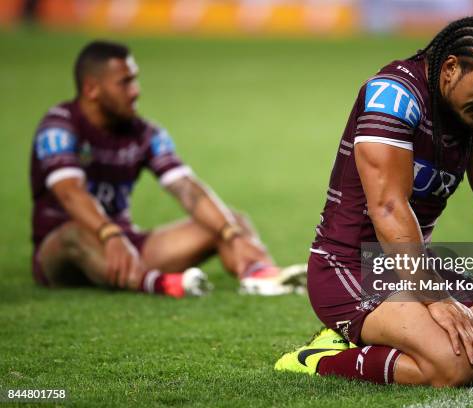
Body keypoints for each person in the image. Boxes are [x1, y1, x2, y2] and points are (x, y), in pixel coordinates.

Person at [275, 16, 473, 386]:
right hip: (350, 268)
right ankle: (323, 357)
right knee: (455, 367)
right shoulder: (393, 95)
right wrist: (436, 298)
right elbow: (388, 206)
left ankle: (389, 335)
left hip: (414, 264)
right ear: (451, 67)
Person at [30, 40, 305, 298]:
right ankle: (158, 284)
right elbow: (70, 193)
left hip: (124, 246)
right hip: (62, 252)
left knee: (230, 219)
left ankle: (258, 274)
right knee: (75, 233)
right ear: (92, 89)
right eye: (124, 83)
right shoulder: (60, 127)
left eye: (134, 79)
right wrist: (109, 234)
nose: (136, 90)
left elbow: (185, 188)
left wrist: (231, 235)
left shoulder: (145, 133)